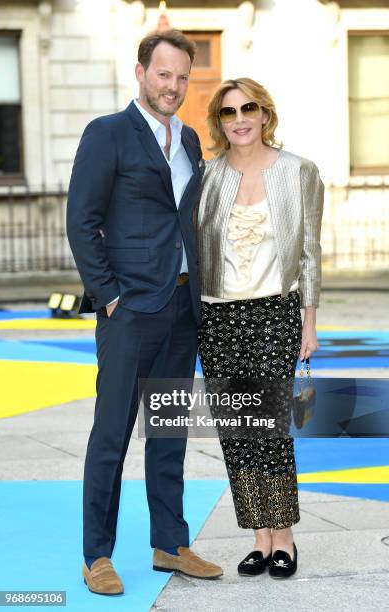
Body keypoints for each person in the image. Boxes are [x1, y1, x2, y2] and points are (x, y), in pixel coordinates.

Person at [66, 29, 223, 596]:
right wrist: (108, 296)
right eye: (164, 74)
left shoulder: (189, 141)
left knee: (170, 433)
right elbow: (81, 221)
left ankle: (169, 543)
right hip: (129, 309)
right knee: (111, 433)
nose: (174, 86)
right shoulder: (107, 133)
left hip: (182, 307)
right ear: (141, 73)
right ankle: (97, 555)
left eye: (183, 77)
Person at [196, 78, 324, 579]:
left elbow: (311, 251)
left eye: (248, 108)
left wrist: (308, 322)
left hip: (274, 313)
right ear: (220, 122)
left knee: (270, 429)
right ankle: (257, 536)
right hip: (218, 315)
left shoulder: (298, 171)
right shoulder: (209, 176)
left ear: (265, 114)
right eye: (229, 112)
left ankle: (284, 537)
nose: (240, 119)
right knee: (237, 431)